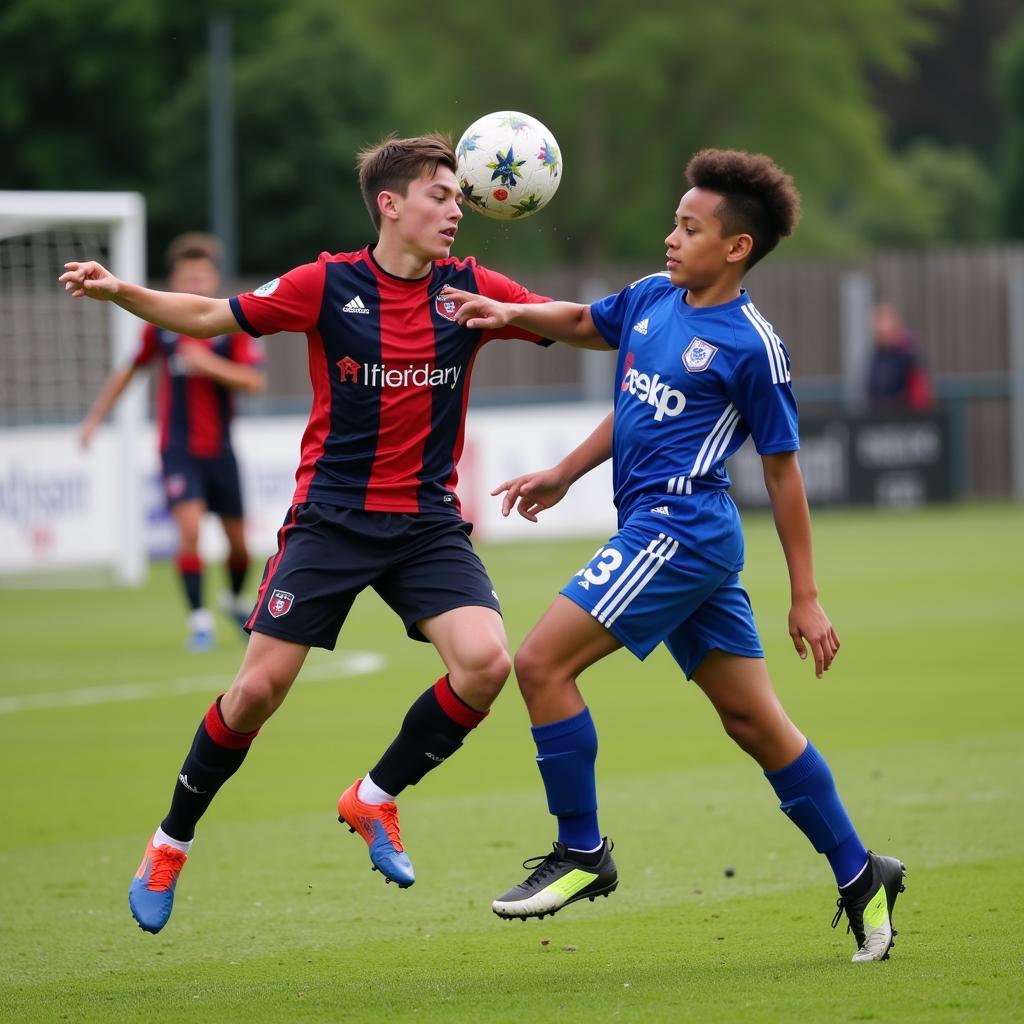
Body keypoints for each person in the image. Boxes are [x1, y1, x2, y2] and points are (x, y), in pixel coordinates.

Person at [61, 132, 609, 936]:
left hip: (425, 524)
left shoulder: (470, 288)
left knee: (488, 665)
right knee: (255, 693)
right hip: (331, 520)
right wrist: (122, 293)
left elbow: (575, 324)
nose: (458, 209)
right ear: (390, 205)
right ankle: (169, 842)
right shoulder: (328, 284)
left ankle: (375, 798)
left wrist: (646, 308)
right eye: (440, 195)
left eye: (460, 196)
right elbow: (215, 315)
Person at [443, 149, 906, 963]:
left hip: (679, 531)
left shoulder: (752, 345)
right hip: (670, 534)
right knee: (754, 722)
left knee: (540, 664)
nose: (670, 237)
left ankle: (582, 850)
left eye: (690, 228)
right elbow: (590, 328)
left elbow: (783, 470)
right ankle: (862, 872)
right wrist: (512, 325)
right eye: (674, 221)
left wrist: (806, 594)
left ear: (736, 248)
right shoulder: (656, 300)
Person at [79, 233, 266, 651]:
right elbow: (130, 370)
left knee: (239, 545)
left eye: (203, 276)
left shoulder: (231, 328)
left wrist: (208, 365)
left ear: (214, 280)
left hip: (221, 449)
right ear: (177, 279)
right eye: (188, 276)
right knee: (190, 530)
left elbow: (254, 381)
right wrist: (94, 419)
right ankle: (199, 621)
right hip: (177, 448)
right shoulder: (162, 330)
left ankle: (233, 600)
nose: (196, 284)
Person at [866, 302, 934, 411]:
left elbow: (920, 395)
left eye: (882, 321)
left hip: (904, 420)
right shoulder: (878, 353)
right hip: (881, 418)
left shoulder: (908, 353)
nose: (877, 328)